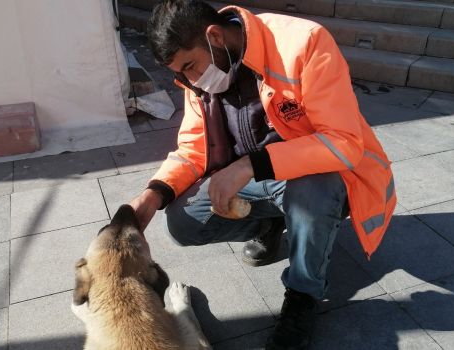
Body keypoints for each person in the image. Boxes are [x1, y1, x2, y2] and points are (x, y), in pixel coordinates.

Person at [129, 1, 397, 348]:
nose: (191, 81)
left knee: (312, 193)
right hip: (255, 180)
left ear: (215, 36)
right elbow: (194, 147)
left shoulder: (305, 42)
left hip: (318, 175)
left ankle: (303, 296)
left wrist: (247, 166)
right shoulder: (199, 82)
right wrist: (154, 193)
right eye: (181, 74)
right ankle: (271, 225)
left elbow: (343, 143)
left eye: (191, 66)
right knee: (182, 222)